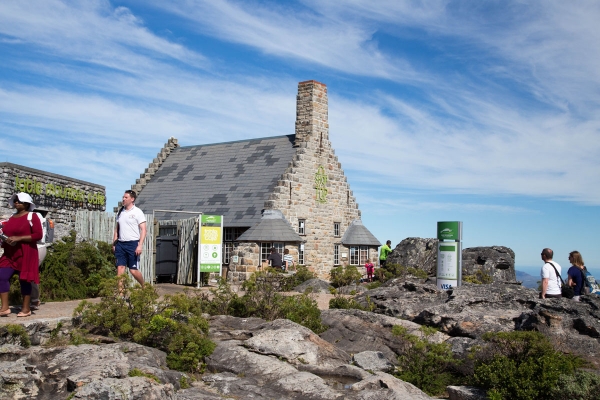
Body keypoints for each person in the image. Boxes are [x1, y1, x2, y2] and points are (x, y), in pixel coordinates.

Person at [0, 193, 43, 317]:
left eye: (19, 201)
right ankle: (5, 308)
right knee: (1, 276)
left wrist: (18, 238)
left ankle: (26, 309)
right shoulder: (12, 217)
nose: (16, 203)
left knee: (24, 280)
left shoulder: (32, 216)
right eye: (15, 201)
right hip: (10, 253)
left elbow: (37, 235)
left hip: (26, 252)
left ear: (27, 203)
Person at [112, 190, 146, 287]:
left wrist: (140, 245)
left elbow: (144, 230)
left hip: (133, 244)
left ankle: (144, 286)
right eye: (123, 197)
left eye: (126, 197)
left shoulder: (138, 212)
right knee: (120, 269)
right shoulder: (120, 213)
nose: (123, 199)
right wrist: (114, 243)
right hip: (121, 244)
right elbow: (117, 229)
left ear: (132, 199)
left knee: (133, 271)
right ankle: (120, 296)